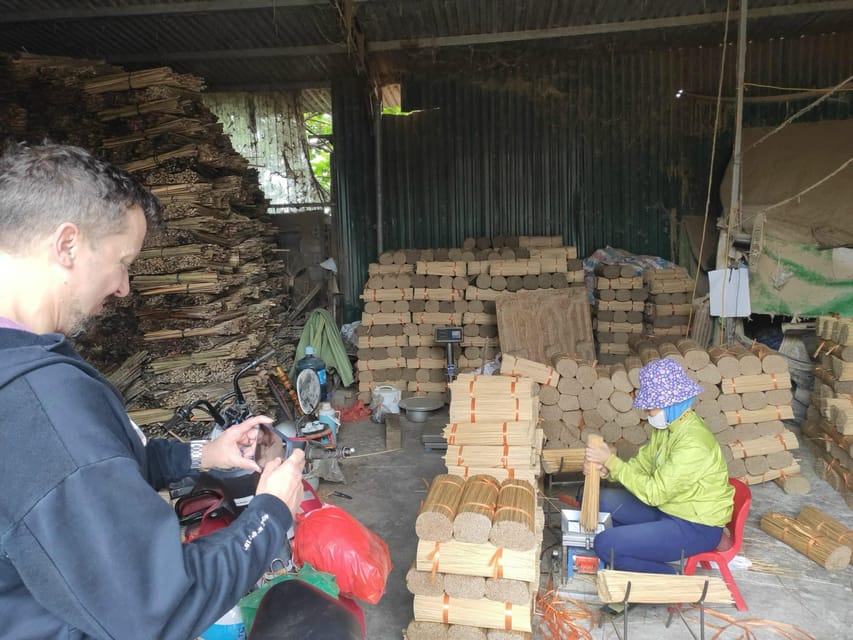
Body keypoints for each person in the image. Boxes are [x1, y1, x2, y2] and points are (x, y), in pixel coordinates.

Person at [0, 142, 306, 639]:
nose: (123, 287)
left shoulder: (22, 358)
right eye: (123, 261)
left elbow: (89, 470)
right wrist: (270, 516)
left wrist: (201, 454)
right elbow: (158, 610)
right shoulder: (39, 400)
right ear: (67, 246)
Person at [584, 357, 734, 579]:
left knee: (606, 544)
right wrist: (609, 471)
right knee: (596, 499)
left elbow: (654, 493)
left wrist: (612, 461)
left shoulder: (693, 443)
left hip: (694, 525)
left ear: (670, 402)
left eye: (650, 408)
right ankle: (636, 548)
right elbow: (642, 464)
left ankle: (672, 580)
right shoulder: (667, 428)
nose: (647, 414)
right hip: (669, 508)